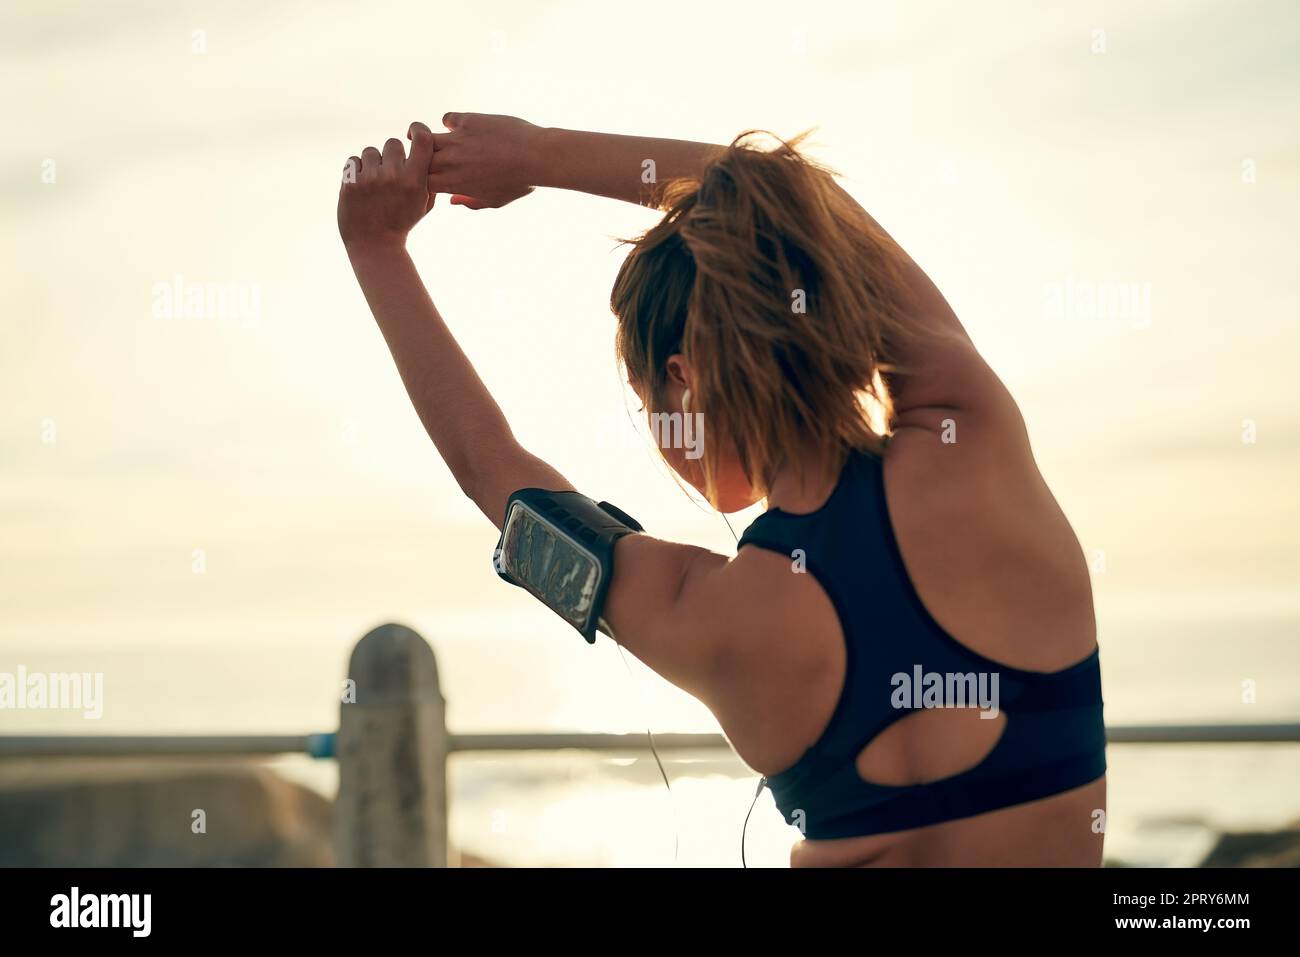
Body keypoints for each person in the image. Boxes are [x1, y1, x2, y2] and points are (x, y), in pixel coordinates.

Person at [336, 114, 1107, 867]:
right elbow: (783, 193)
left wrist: (376, 248)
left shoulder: (706, 616)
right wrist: (537, 154)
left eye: (646, 406)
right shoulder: (971, 437)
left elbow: (488, 467)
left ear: (684, 379)